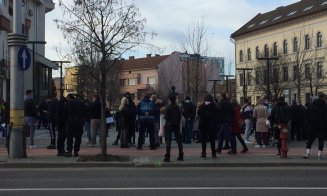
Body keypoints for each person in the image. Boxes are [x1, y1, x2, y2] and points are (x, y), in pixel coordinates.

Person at [303, 93, 327, 160]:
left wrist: (307, 125)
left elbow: (306, 116)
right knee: (321, 140)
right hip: (321, 126)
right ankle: (319, 155)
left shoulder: (311, 106)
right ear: (323, 98)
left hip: (312, 125)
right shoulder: (325, 106)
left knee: (310, 139)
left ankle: (307, 153)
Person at [163, 94, 183, 162]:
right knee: (179, 140)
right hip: (176, 125)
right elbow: (180, 116)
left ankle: (167, 156)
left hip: (169, 125)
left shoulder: (167, 107)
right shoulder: (177, 107)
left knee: (168, 141)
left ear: (169, 99)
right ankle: (181, 155)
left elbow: (165, 117)